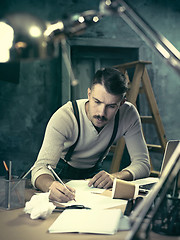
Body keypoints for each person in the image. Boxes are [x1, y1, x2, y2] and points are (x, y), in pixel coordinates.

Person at [31, 67, 150, 202]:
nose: (101, 113)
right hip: (59, 173)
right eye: (97, 102)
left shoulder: (128, 114)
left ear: (121, 103)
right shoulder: (65, 116)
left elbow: (143, 164)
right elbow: (40, 168)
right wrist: (50, 186)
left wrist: (115, 177)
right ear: (88, 94)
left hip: (93, 174)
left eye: (111, 106)